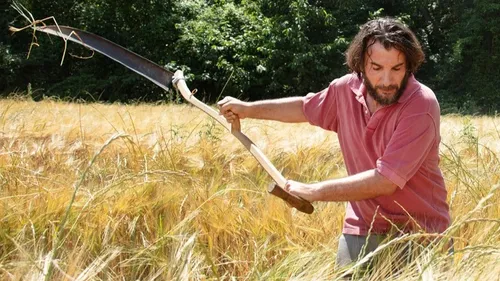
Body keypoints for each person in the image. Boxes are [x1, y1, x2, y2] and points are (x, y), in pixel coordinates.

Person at [218, 17, 451, 269]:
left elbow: (386, 180)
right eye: (376, 68)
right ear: (360, 64)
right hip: (361, 226)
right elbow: (304, 108)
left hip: (420, 233)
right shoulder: (345, 89)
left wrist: (314, 191)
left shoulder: (421, 105)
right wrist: (248, 109)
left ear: (409, 66)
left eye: (396, 69)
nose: (386, 80)